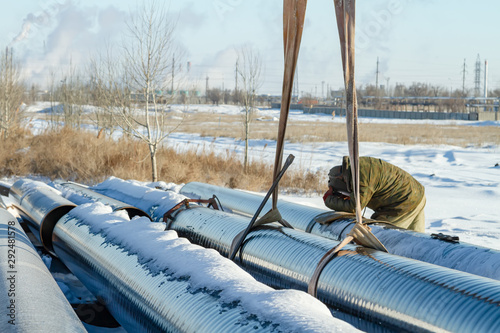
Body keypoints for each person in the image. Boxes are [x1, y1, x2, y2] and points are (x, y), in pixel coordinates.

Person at [323, 156, 426, 232]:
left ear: (341, 180)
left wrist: (328, 200)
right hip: (417, 195)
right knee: (418, 241)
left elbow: (354, 207)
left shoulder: (361, 178)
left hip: (402, 205)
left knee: (379, 236)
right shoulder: (358, 166)